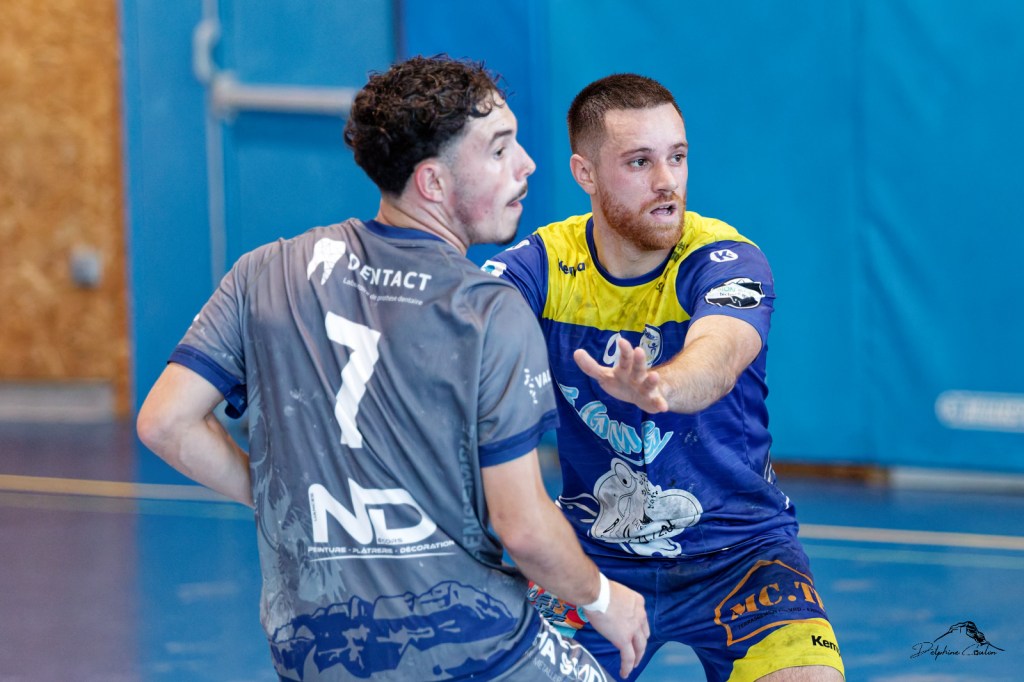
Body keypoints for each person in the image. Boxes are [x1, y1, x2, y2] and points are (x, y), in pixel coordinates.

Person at [136, 56, 649, 682]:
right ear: (432, 183)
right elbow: (523, 528)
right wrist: (603, 598)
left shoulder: (263, 270)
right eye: (498, 150)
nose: (526, 165)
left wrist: (281, 499)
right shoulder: (487, 308)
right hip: (473, 656)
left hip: (313, 656)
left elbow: (165, 423)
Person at [483, 74, 845, 681]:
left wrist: (662, 389)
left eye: (677, 157)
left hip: (742, 553)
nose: (667, 181)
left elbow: (721, 352)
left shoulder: (724, 257)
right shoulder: (538, 268)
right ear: (585, 173)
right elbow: (459, 338)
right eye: (639, 162)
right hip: (592, 560)